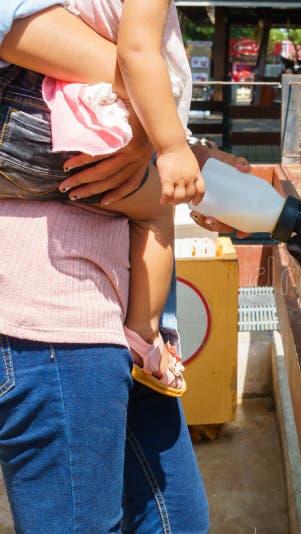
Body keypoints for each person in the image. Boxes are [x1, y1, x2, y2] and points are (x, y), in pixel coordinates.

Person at [0, 4, 250, 531]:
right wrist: (166, 143)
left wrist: (184, 152)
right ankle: (145, 333)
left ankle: (144, 337)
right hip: (54, 317)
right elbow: (129, 56)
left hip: (100, 316)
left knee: (176, 518)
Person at [0, 0, 205, 396]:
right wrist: (172, 147)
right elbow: (137, 52)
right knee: (156, 210)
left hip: (34, 108)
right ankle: (145, 337)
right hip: (52, 130)